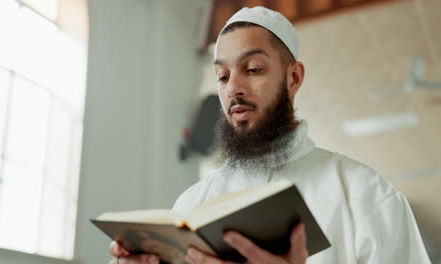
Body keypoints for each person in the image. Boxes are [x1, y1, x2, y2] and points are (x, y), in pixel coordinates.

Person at [109, 6, 430, 264]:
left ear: (293, 77)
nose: (233, 88)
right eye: (222, 76)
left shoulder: (366, 196)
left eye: (252, 70)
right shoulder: (191, 205)